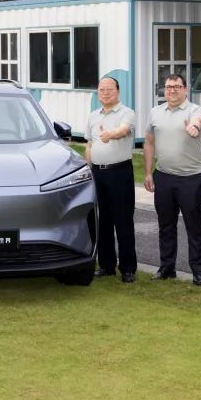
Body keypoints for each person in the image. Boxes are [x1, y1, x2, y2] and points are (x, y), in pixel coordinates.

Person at [143, 73, 201, 285]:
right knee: (166, 225)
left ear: (185, 89)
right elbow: (149, 143)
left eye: (177, 87)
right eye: (168, 86)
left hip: (191, 177)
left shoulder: (195, 110)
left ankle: (198, 270)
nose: (172, 90)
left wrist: (194, 126)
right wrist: (148, 172)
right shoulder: (155, 112)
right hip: (164, 176)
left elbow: (199, 121)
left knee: (194, 225)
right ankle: (167, 267)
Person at [85, 76, 138, 283]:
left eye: (109, 89)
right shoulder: (93, 116)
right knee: (102, 221)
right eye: (101, 89)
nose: (105, 93)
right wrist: (88, 168)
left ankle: (128, 268)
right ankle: (106, 265)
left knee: (123, 220)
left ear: (118, 91)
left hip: (119, 173)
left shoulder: (127, 113)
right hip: (97, 173)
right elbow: (89, 144)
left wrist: (111, 134)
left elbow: (123, 130)